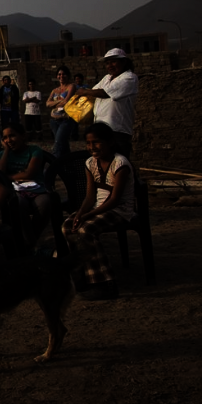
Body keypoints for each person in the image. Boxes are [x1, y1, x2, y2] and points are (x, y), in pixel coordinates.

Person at [61, 122, 134, 301]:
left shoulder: (120, 164)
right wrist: (80, 214)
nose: (92, 147)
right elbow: (90, 196)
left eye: (97, 142)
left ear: (110, 142)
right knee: (67, 226)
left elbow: (115, 200)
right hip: (97, 208)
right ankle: (81, 275)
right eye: (88, 143)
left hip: (119, 210)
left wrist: (87, 216)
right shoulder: (90, 163)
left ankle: (105, 283)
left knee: (86, 230)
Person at [0, 122, 53, 248]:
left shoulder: (34, 150)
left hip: (37, 188)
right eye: (5, 138)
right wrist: (6, 151)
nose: (9, 140)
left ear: (22, 136)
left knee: (45, 203)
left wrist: (7, 177)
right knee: (19, 204)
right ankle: (31, 244)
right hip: (15, 190)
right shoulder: (1, 155)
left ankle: (30, 241)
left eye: (12, 136)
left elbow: (29, 174)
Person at [76, 49, 139, 160]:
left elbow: (104, 93)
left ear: (124, 62)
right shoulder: (106, 78)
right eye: (107, 63)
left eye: (113, 62)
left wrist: (84, 91)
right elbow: (94, 91)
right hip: (101, 129)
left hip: (117, 130)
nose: (110, 65)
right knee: (102, 162)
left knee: (118, 162)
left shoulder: (129, 77)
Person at [46, 66, 78, 164]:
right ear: (57, 76)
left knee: (58, 144)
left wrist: (54, 103)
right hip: (54, 121)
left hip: (66, 120)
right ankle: (69, 166)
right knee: (63, 145)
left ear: (68, 75)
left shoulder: (71, 86)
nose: (61, 76)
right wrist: (59, 102)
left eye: (64, 74)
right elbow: (47, 104)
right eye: (59, 74)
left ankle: (53, 166)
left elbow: (66, 101)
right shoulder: (55, 90)